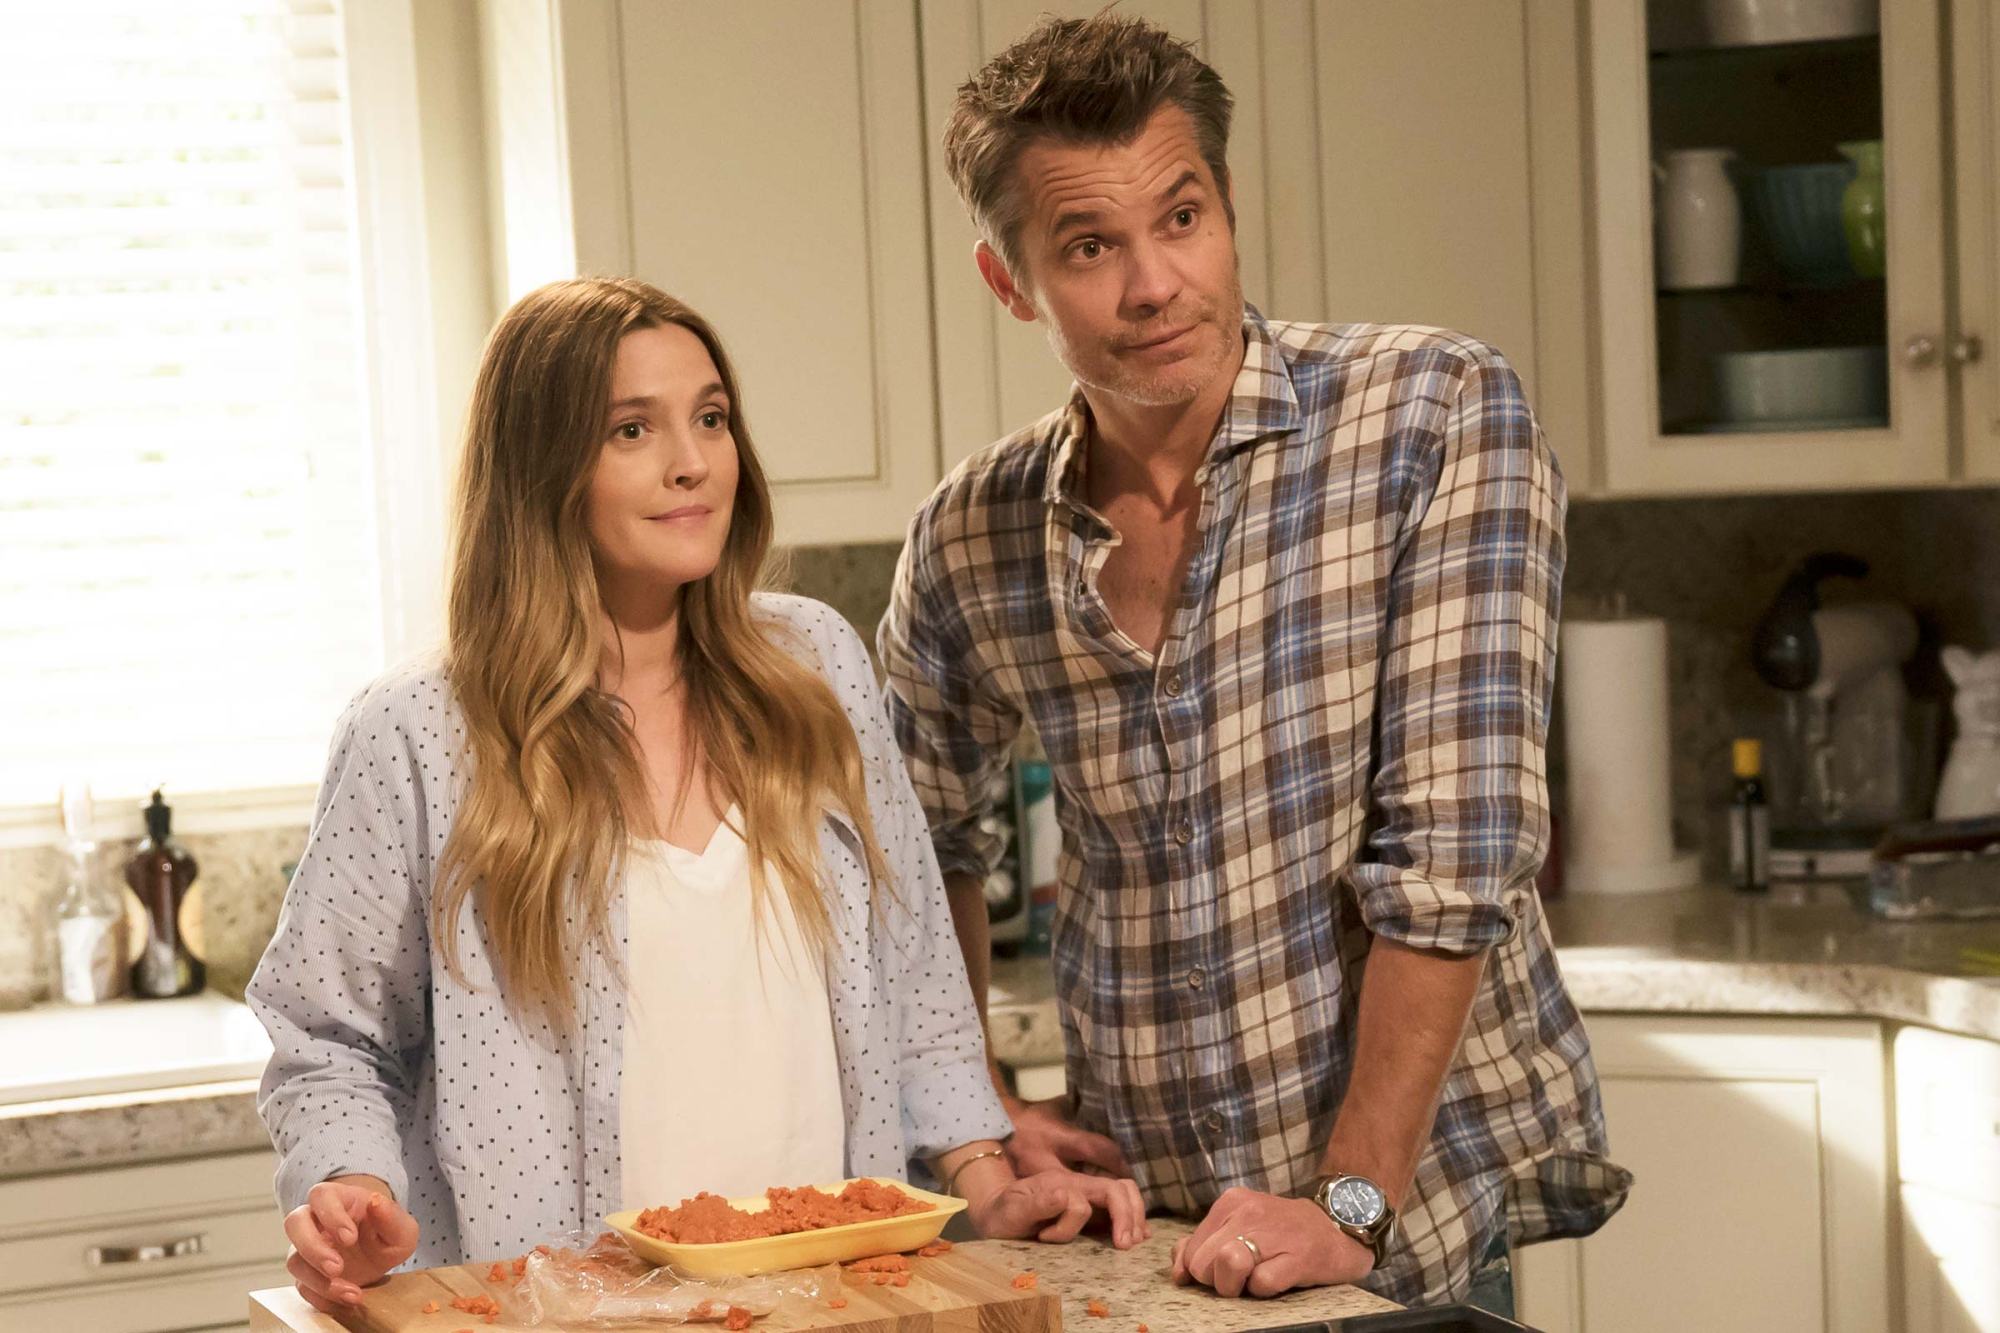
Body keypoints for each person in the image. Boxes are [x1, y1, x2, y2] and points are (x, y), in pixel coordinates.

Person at [878, 14, 1631, 1311]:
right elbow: (906, 843)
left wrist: (1346, 1206)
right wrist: (977, 1116)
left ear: (1227, 207)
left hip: (1406, 1222)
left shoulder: (1433, 413)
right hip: (1153, 1224)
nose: (1153, 283)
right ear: (1011, 281)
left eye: (1181, 218)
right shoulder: (972, 531)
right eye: (1089, 246)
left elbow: (1453, 860)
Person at [247, 277, 1146, 1315]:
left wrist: (988, 1180)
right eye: (632, 428)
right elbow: (328, 1037)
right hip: (567, 1313)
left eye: (710, 418)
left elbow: (916, 979)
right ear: (540, 467)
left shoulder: (812, 665)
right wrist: (352, 1188)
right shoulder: (419, 732)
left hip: (834, 1303)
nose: (693, 461)